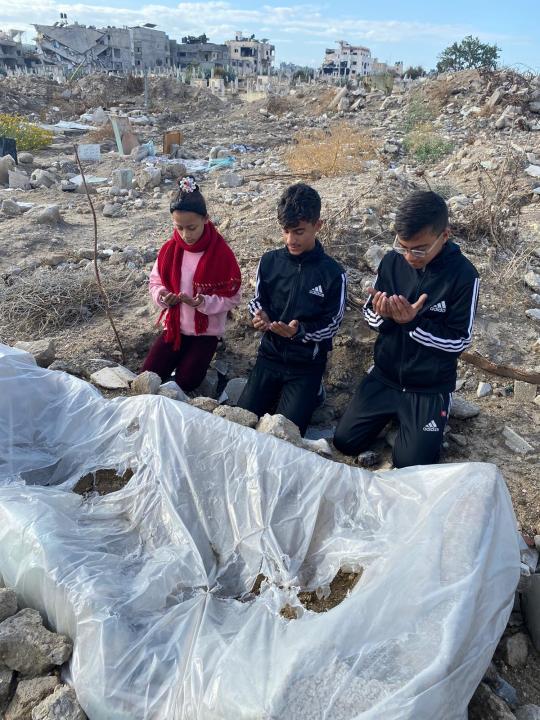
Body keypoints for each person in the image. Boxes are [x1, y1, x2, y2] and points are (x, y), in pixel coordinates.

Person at [333, 190, 479, 468]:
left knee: (410, 464)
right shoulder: (392, 261)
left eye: (420, 249)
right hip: (385, 375)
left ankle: (429, 418)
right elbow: (369, 314)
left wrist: (413, 324)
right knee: (345, 442)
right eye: (403, 247)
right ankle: (394, 418)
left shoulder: (464, 275)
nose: (410, 256)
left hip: (429, 386)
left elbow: (459, 341)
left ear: (444, 236)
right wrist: (384, 316)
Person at [237, 183, 347, 435]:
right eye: (285, 231)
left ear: (318, 226)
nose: (290, 240)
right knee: (243, 422)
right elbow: (257, 300)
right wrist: (259, 315)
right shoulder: (269, 261)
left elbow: (332, 324)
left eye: (298, 232)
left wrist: (299, 332)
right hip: (269, 357)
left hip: (306, 364)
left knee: (286, 433)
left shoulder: (333, 273)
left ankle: (315, 392)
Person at [142, 176, 241, 392]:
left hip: (206, 332)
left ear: (206, 219)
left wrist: (202, 303)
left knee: (187, 382)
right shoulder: (170, 250)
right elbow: (155, 281)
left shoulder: (221, 254)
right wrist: (163, 295)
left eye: (191, 227)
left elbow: (233, 296)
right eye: (179, 227)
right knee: (148, 375)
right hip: (175, 326)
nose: (185, 235)